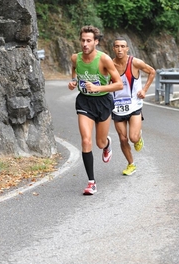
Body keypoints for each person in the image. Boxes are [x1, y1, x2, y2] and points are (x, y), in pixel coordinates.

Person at [68, 26, 123, 195]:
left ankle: (107, 144)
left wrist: (98, 89)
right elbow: (74, 72)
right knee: (86, 140)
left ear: (96, 42)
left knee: (99, 143)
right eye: (83, 40)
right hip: (84, 102)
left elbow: (119, 84)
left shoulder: (104, 59)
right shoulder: (75, 58)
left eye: (89, 41)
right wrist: (73, 81)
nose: (85, 44)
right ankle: (91, 182)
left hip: (103, 102)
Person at [111, 37, 156, 176]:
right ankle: (131, 164)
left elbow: (152, 71)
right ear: (113, 48)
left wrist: (144, 90)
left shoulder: (135, 62)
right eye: (117, 46)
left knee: (133, 138)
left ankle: (138, 138)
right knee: (122, 138)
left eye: (122, 46)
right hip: (117, 107)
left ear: (127, 48)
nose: (119, 49)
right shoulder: (109, 64)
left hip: (134, 105)